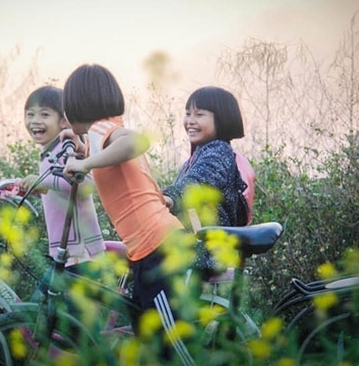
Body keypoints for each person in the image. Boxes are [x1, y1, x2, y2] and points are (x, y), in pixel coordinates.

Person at [61, 64, 195, 365]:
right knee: (148, 339)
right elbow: (108, 179)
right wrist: (83, 156)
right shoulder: (97, 137)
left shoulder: (103, 129)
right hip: (148, 249)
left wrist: (85, 163)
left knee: (170, 346)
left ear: (78, 102)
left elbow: (137, 141)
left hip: (158, 248)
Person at [17, 85, 106, 280]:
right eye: (30, 114)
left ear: (64, 121)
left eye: (45, 115)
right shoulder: (50, 151)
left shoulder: (67, 147)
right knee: (45, 306)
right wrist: (37, 187)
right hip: (65, 252)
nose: (35, 121)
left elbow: (87, 183)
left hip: (81, 253)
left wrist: (45, 182)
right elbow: (59, 186)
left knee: (51, 307)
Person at [162, 86, 255, 229]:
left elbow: (198, 182)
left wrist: (170, 197)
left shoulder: (220, 152)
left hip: (211, 245)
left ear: (221, 118)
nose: (190, 121)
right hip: (192, 241)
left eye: (199, 114)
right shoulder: (193, 160)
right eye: (188, 114)